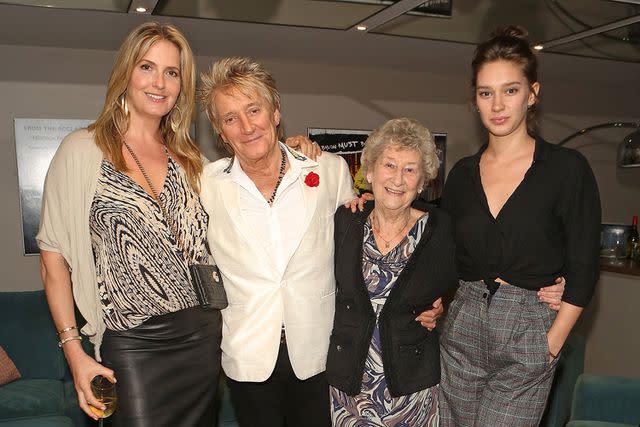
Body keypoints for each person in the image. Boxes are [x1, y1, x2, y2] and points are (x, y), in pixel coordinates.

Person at [37, 22, 221, 426]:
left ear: (181, 85)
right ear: (126, 74)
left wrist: (297, 155)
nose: (160, 82)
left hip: (203, 340)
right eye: (147, 67)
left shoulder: (193, 163)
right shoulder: (82, 151)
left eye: (172, 72)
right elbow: (53, 261)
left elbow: (249, 197)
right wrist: (74, 353)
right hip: (133, 345)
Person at [438, 25, 601, 426]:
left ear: (532, 94)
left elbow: (584, 262)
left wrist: (552, 342)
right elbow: (441, 252)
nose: (497, 104)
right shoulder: (460, 175)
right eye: (485, 92)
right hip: (462, 331)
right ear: (474, 100)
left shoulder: (567, 170)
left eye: (510, 90)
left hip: (528, 330)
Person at [198, 56, 366, 427]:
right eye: (230, 118)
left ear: (275, 112)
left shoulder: (328, 171)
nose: (246, 127)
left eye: (254, 110)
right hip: (249, 355)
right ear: (221, 133)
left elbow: (362, 254)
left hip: (318, 350)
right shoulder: (206, 185)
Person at [326, 118, 457, 426]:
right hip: (350, 387)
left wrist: (442, 306)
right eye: (389, 165)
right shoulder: (345, 221)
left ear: (422, 182)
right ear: (369, 171)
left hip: (411, 389)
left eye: (410, 169)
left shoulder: (439, 230)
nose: (398, 179)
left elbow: (461, 281)